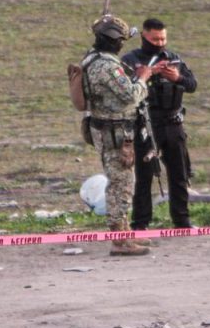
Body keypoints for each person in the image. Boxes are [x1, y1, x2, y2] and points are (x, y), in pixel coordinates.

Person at [82, 14, 153, 256]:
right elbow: (131, 95)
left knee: (119, 183)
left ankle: (122, 236)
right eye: (122, 40)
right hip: (115, 134)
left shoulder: (91, 59)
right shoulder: (107, 66)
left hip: (107, 130)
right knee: (121, 185)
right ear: (115, 41)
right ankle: (120, 241)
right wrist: (143, 78)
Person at [122, 18, 197, 230]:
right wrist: (146, 75)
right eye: (155, 39)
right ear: (144, 36)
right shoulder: (130, 60)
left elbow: (192, 85)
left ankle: (182, 222)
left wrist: (177, 78)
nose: (160, 43)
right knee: (144, 177)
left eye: (163, 38)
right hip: (146, 124)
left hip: (173, 123)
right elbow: (124, 92)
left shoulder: (174, 59)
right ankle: (140, 224)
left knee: (179, 174)